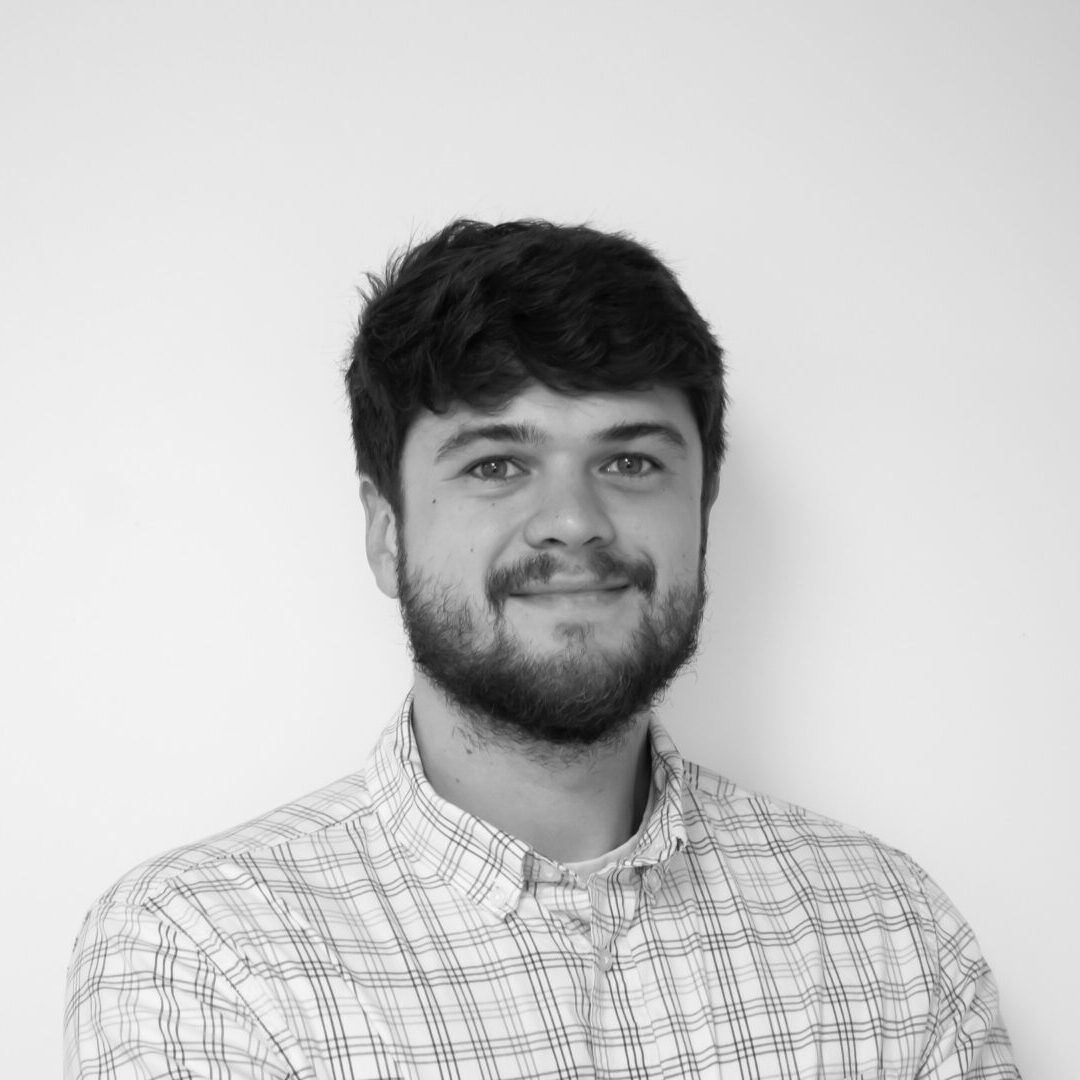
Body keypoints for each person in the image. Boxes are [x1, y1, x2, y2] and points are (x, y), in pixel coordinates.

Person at [64, 220, 1019, 1078]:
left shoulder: (890, 930)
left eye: (630, 461)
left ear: (702, 514)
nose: (572, 521)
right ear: (387, 533)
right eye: (496, 464)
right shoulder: (200, 950)